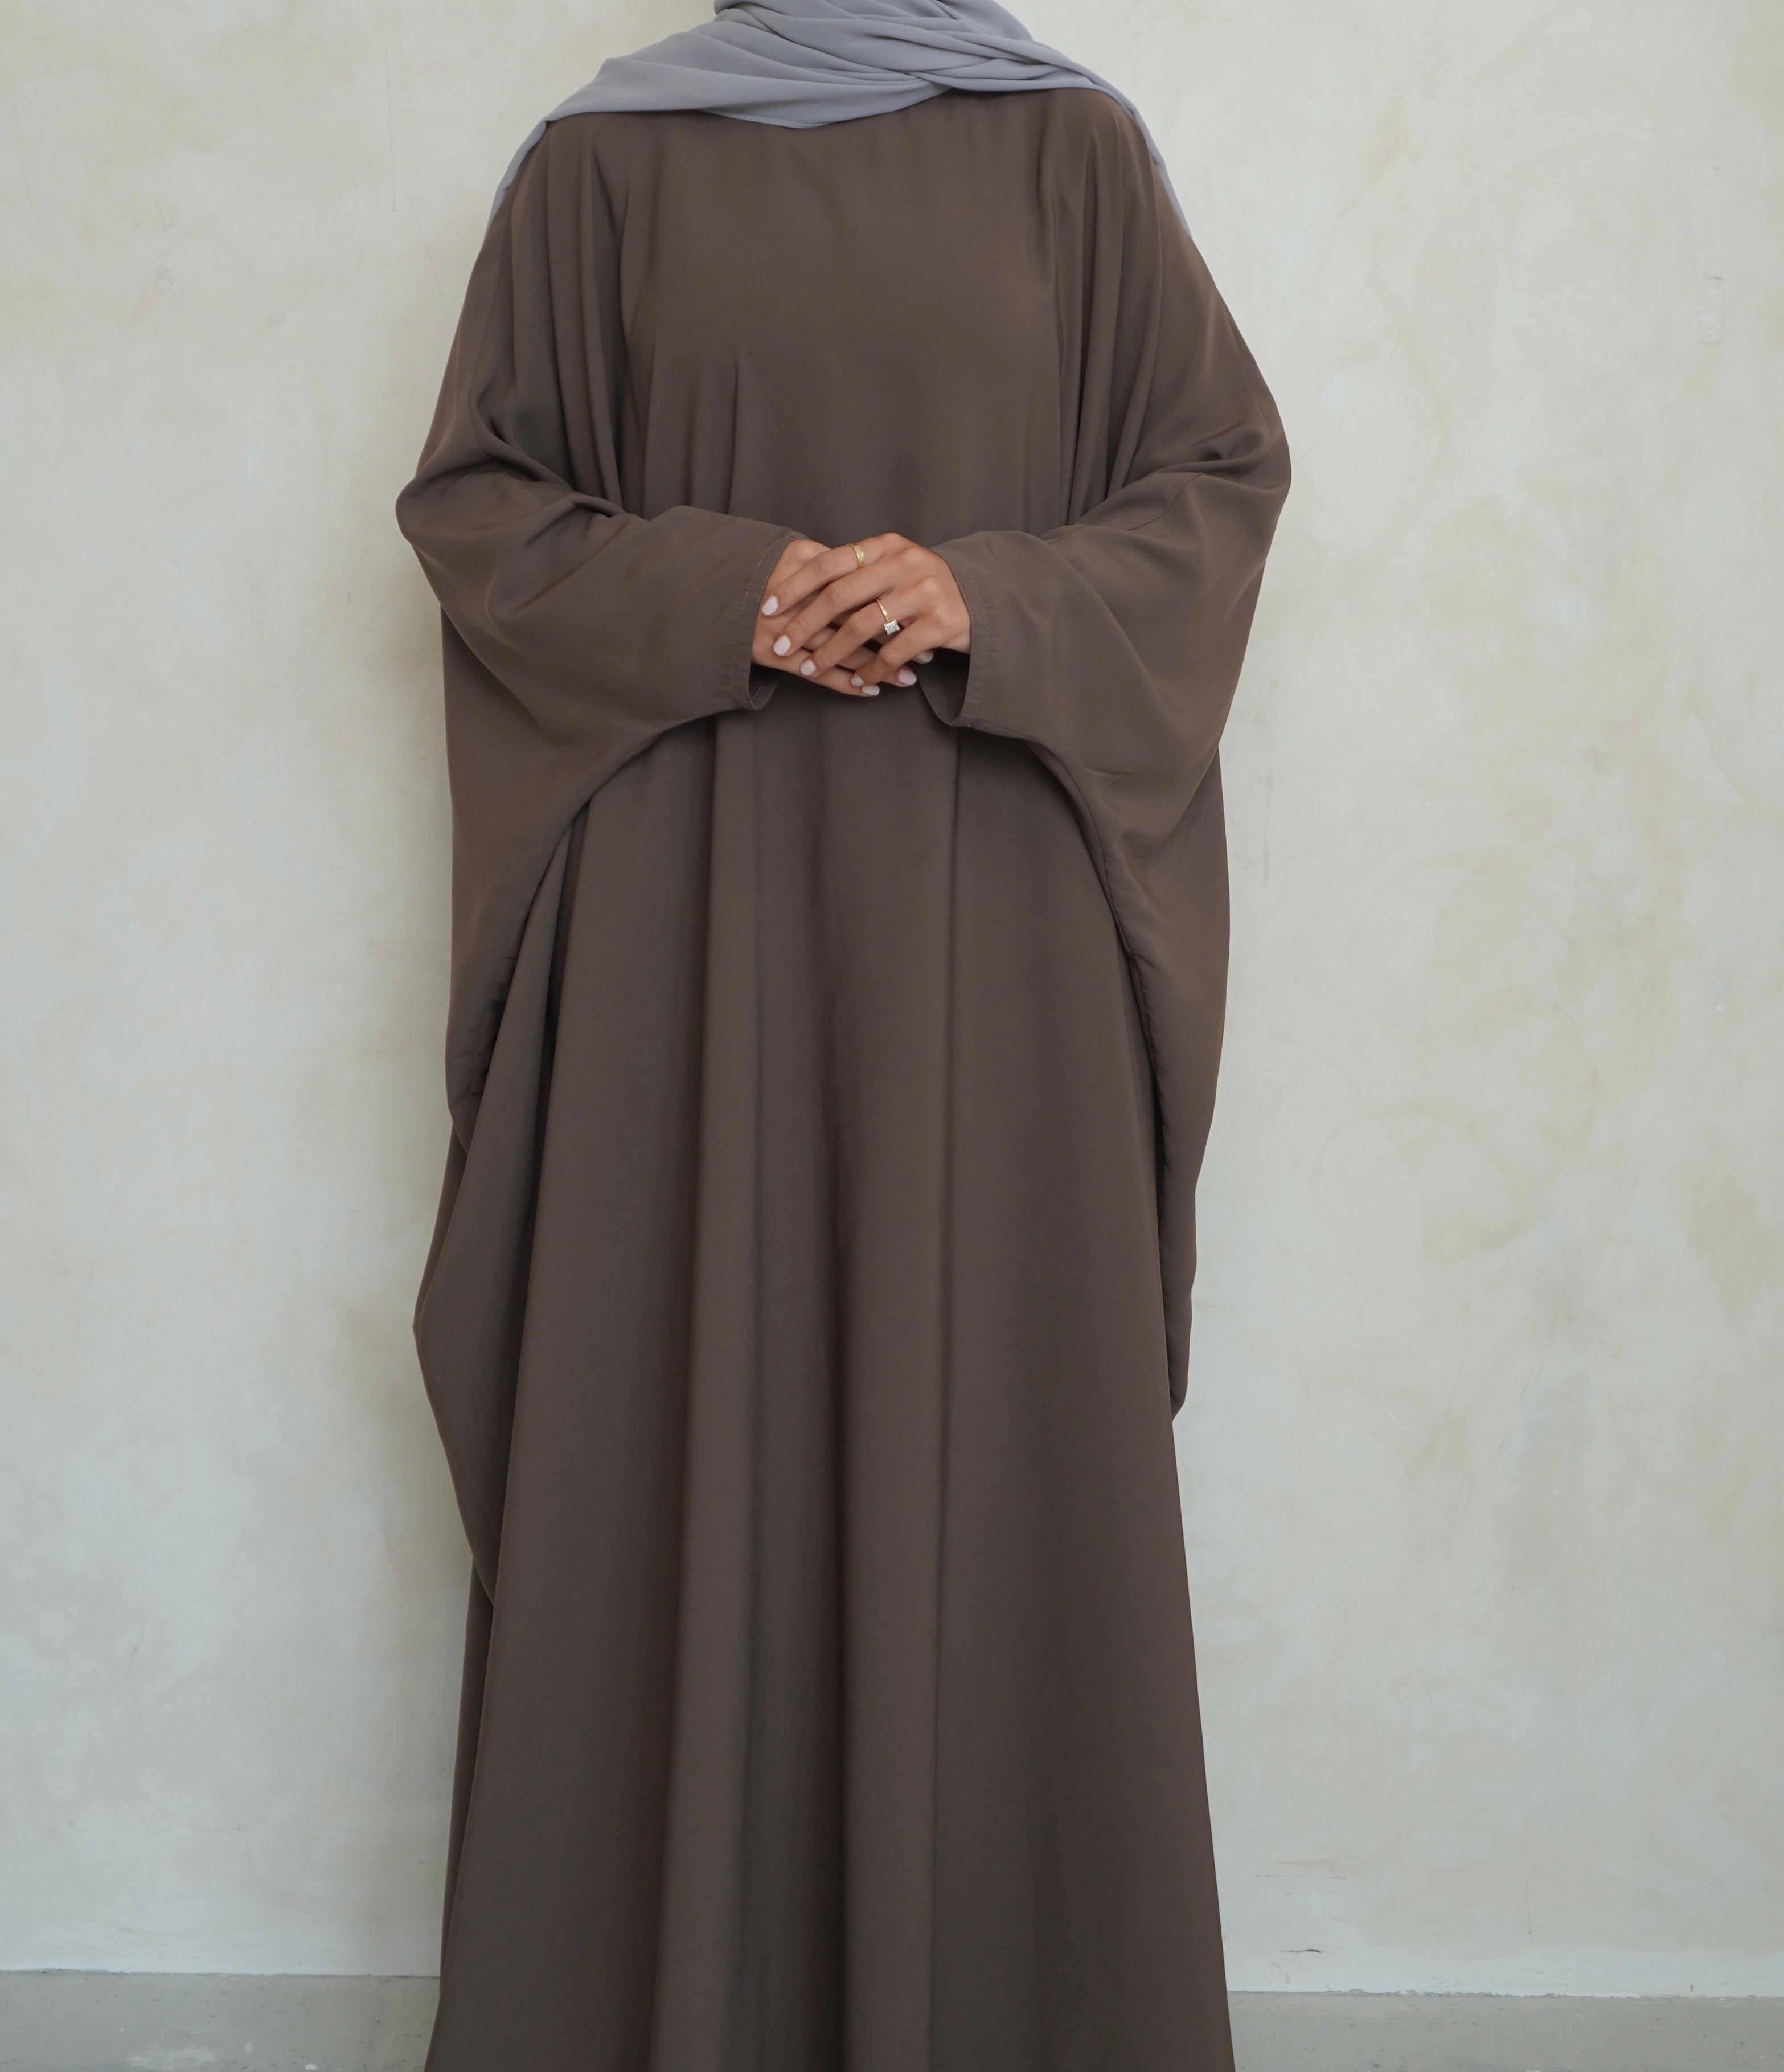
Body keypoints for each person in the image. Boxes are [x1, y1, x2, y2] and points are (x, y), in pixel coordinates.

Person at [393, 4, 1291, 2066]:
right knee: (667, 1418)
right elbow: (479, 506)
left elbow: (1218, 485)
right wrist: (722, 588)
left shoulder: (1071, 153)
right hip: (684, 929)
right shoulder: (605, 167)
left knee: (998, 1428)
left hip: (1001, 930)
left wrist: (986, 596)